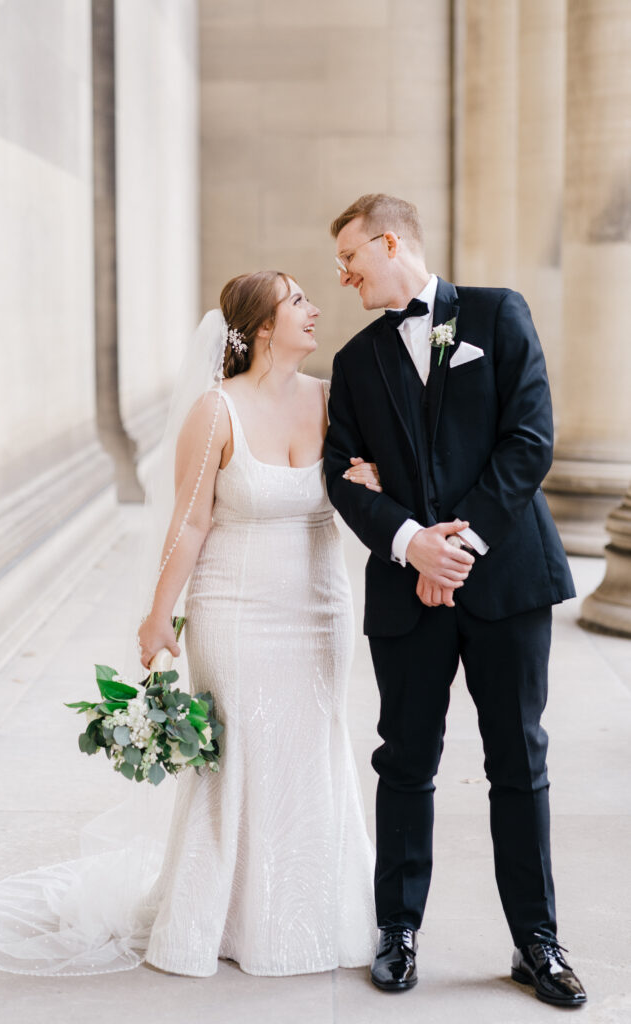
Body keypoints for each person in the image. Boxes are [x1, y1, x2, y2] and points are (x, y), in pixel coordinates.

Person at [0, 271, 379, 979]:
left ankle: (315, 915)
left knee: (313, 750)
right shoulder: (215, 411)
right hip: (235, 610)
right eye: (297, 300)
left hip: (321, 607)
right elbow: (190, 523)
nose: (314, 309)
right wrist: (158, 617)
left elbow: (364, 484)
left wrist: (372, 483)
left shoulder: (331, 399)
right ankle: (218, 919)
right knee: (239, 757)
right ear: (262, 326)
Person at [322, 193, 587, 1008]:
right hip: (408, 593)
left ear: (390, 241)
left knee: (518, 760)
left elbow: (529, 440)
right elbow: (341, 471)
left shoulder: (498, 315)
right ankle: (396, 931)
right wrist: (411, 544)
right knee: (405, 762)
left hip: (504, 582)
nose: (341, 276)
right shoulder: (354, 361)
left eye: (350, 259)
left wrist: (456, 548)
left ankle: (535, 942)